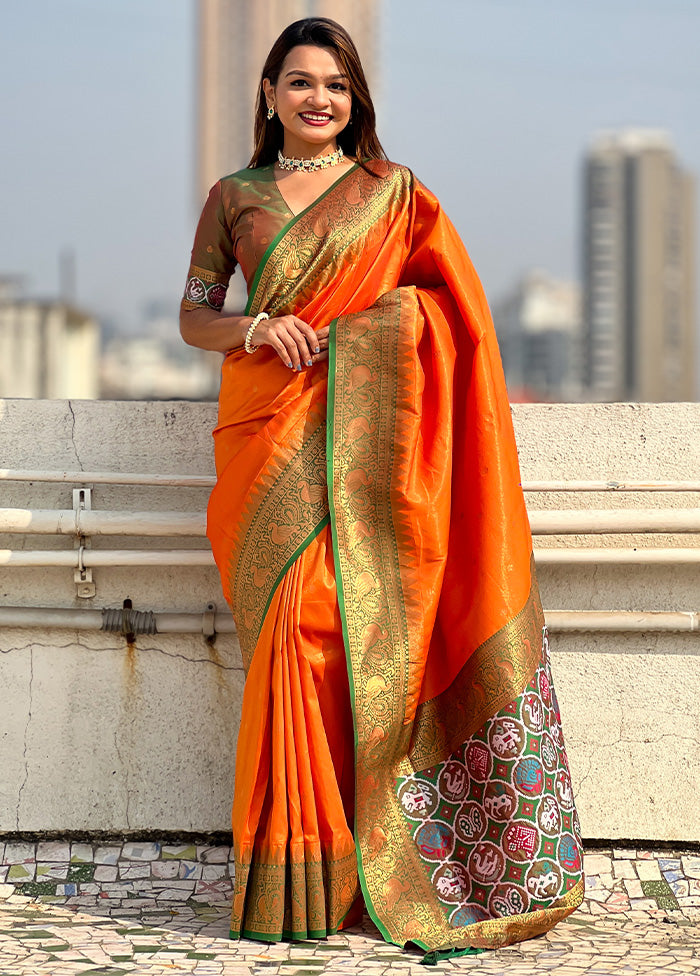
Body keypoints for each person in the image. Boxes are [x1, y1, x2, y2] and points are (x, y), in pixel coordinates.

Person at [180, 17, 583, 958]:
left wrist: (373, 332)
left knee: (332, 632)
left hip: (368, 452)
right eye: (299, 82)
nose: (318, 98)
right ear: (270, 94)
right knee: (288, 640)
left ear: (356, 100)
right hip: (266, 441)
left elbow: (454, 313)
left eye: (336, 85)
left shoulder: (393, 194)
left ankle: (377, 868)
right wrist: (254, 328)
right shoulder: (233, 197)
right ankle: (294, 883)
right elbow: (196, 316)